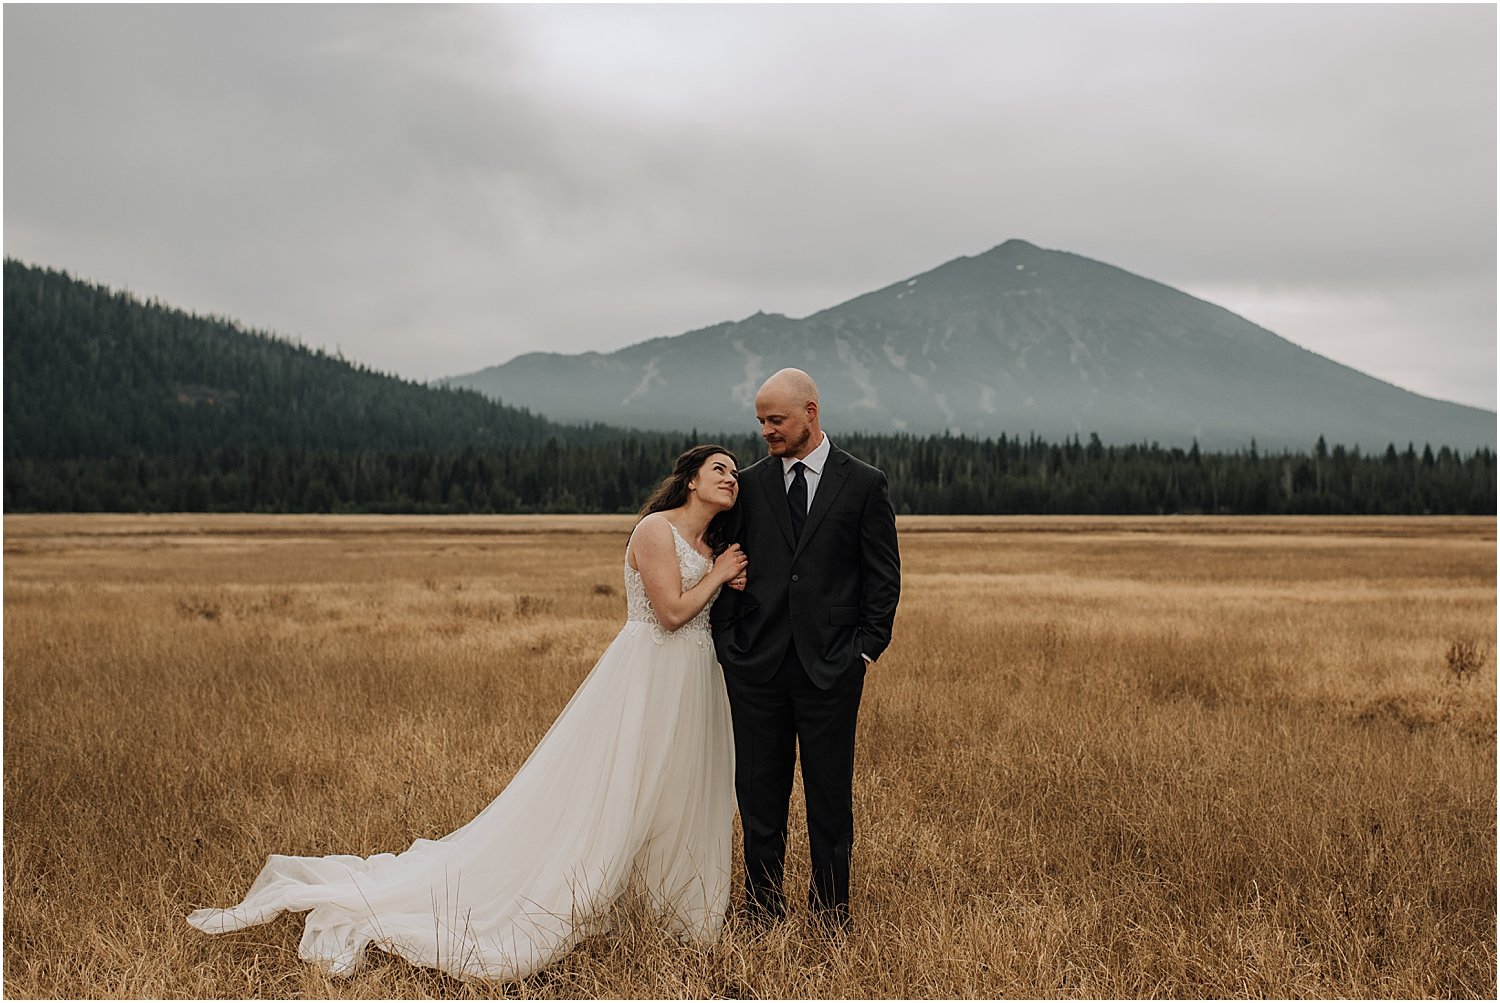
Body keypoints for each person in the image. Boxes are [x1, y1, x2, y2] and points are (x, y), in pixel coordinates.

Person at [188, 445, 749, 981]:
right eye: (718, 469)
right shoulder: (656, 530)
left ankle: (665, 910)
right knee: (625, 788)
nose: (730, 478)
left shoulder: (711, 544)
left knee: (678, 790)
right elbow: (670, 613)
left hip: (695, 680)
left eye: (734, 473)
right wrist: (719, 576)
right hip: (648, 676)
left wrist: (725, 572)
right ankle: (583, 893)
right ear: (690, 479)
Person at [710, 369, 901, 932]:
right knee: (759, 798)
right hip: (756, 669)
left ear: (810, 413)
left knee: (830, 798)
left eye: (776, 420)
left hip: (833, 669)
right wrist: (729, 644)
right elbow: (724, 564)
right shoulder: (748, 486)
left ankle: (830, 917)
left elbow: (883, 578)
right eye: (760, 421)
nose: (766, 431)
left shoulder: (864, 484)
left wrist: (864, 651)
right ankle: (762, 913)